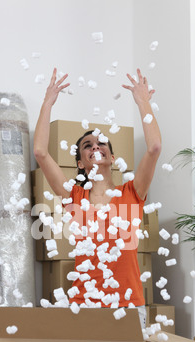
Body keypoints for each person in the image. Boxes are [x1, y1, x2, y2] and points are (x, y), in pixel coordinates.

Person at [33, 67, 161, 326]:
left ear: (112, 158)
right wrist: (47, 103)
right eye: (87, 146)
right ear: (80, 162)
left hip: (128, 303)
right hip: (85, 303)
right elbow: (40, 153)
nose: (95, 147)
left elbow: (155, 147)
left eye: (101, 143)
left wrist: (143, 102)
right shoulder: (74, 197)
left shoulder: (132, 192)